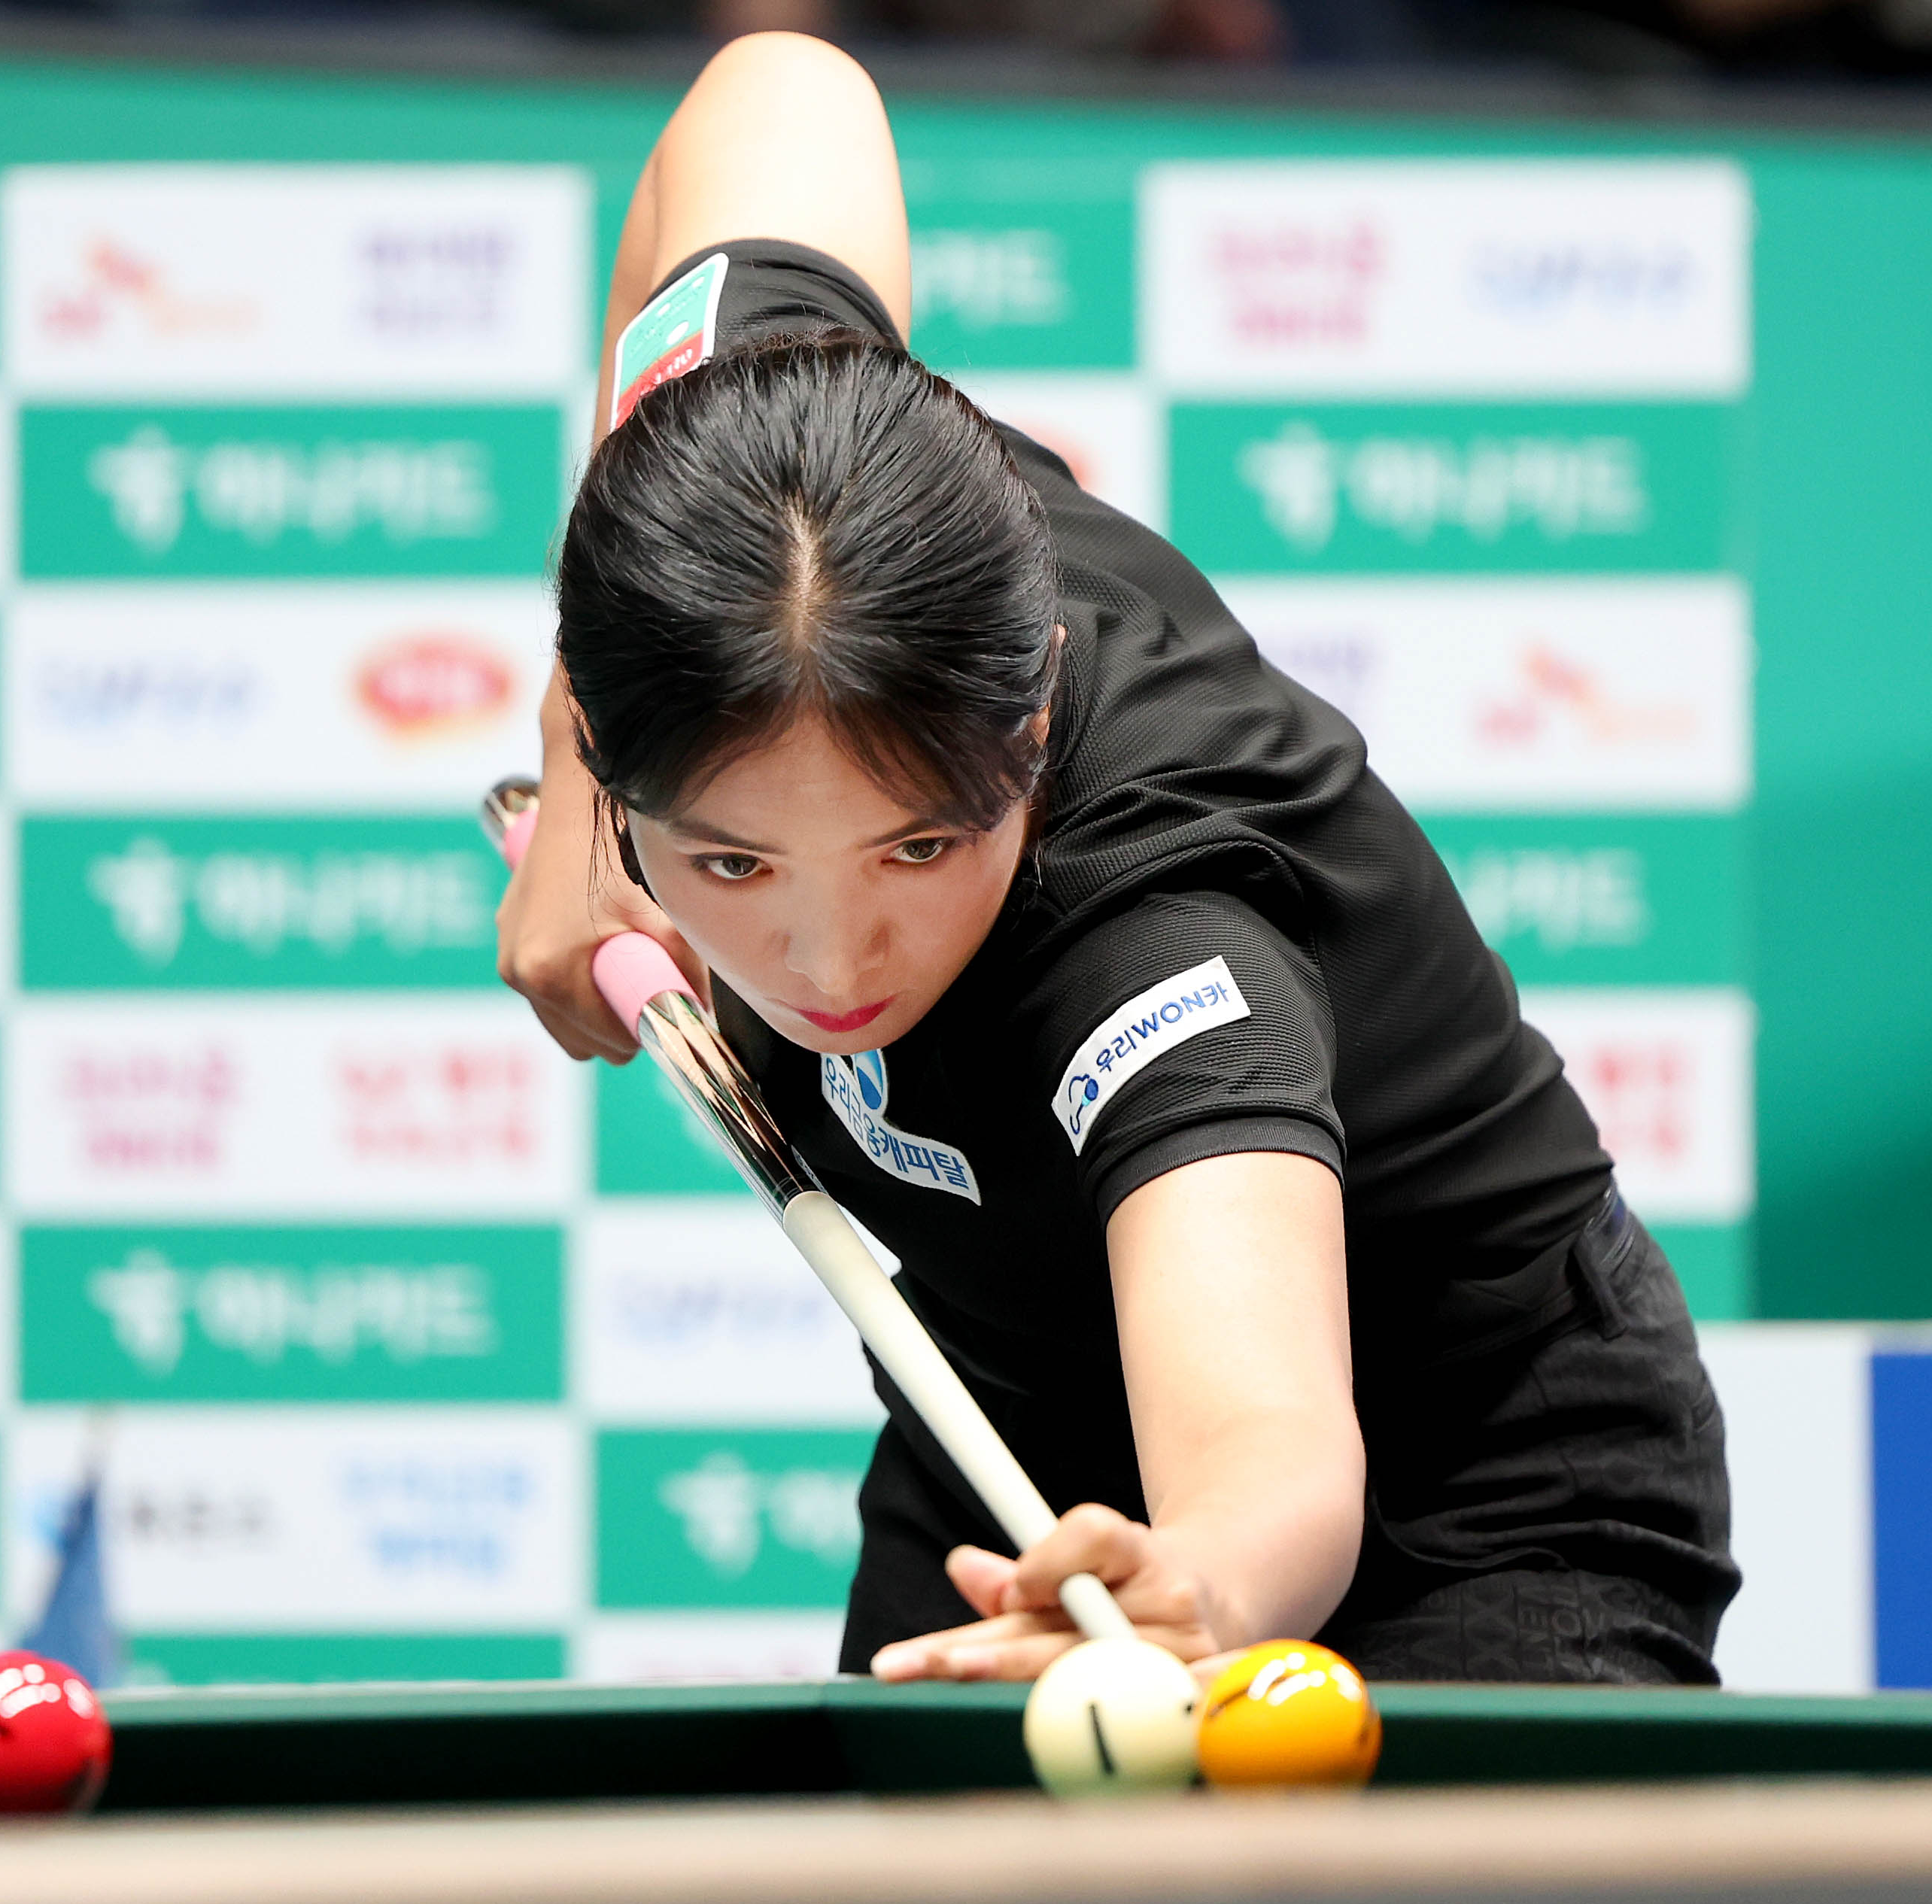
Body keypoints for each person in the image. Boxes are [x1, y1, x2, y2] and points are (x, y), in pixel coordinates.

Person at [499, 32, 1738, 1684]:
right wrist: (574, 761)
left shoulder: (1154, 949)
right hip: (1016, 1425)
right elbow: (779, 86)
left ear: (1031, 717)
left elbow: (1275, 1457)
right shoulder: (772, 483)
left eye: (919, 846)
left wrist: (1200, 1588)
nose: (832, 963)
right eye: (732, 868)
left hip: (1470, 1479)